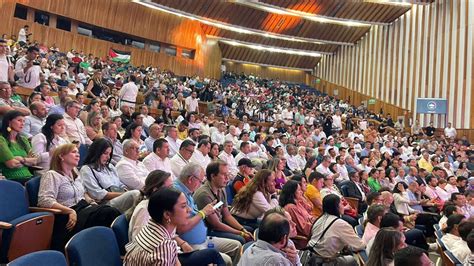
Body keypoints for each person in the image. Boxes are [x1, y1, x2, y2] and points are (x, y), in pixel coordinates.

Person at [38, 143, 120, 251]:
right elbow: (44, 200)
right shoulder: (52, 175)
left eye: (78, 152)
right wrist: (69, 211)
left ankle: (106, 250)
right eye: (73, 152)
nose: (78, 155)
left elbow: (83, 193)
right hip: (66, 215)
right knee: (109, 213)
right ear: (61, 156)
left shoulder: (75, 173)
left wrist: (92, 202)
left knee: (110, 212)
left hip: (83, 208)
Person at [124, 187, 224, 266]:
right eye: (183, 206)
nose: (189, 210)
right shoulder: (164, 246)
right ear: (167, 214)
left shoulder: (153, 226)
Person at [174, 162, 241, 265]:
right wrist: (203, 212)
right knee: (225, 259)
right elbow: (182, 228)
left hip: (204, 239)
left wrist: (241, 230)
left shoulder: (188, 191)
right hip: (192, 243)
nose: (201, 184)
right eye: (200, 181)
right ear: (191, 179)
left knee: (237, 245)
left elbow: (226, 215)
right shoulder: (177, 194)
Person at [193, 160, 254, 244]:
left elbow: (227, 216)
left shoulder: (221, 189)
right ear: (213, 176)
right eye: (224, 175)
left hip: (220, 223)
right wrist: (240, 233)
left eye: (227, 174)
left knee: (248, 230)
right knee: (241, 239)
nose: (227, 178)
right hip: (209, 231)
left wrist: (242, 229)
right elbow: (216, 225)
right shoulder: (204, 194)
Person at [80, 138, 140, 213]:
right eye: (105, 153)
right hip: (105, 203)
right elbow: (97, 194)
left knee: (140, 196)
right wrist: (123, 194)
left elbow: (120, 184)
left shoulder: (110, 166)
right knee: (135, 194)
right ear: (97, 152)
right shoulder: (87, 169)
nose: (108, 157)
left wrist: (125, 190)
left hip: (118, 195)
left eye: (109, 154)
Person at [308, 194, 365, 265]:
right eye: (341, 203)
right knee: (353, 260)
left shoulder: (319, 219)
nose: (343, 206)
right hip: (325, 261)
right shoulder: (341, 224)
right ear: (337, 207)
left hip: (312, 256)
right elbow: (359, 245)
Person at [0, 110, 37, 183]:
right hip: (11, 179)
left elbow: (35, 161)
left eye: (24, 121)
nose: (22, 124)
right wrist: (27, 160)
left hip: (29, 177)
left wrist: (21, 159)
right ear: (9, 122)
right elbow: (11, 164)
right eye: (19, 120)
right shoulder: (1, 140)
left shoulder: (23, 139)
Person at [279, 180, 315, 246]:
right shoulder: (291, 207)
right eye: (299, 190)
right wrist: (318, 227)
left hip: (312, 232)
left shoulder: (297, 203)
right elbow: (304, 228)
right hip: (306, 239)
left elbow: (310, 210)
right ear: (292, 193)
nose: (301, 192)